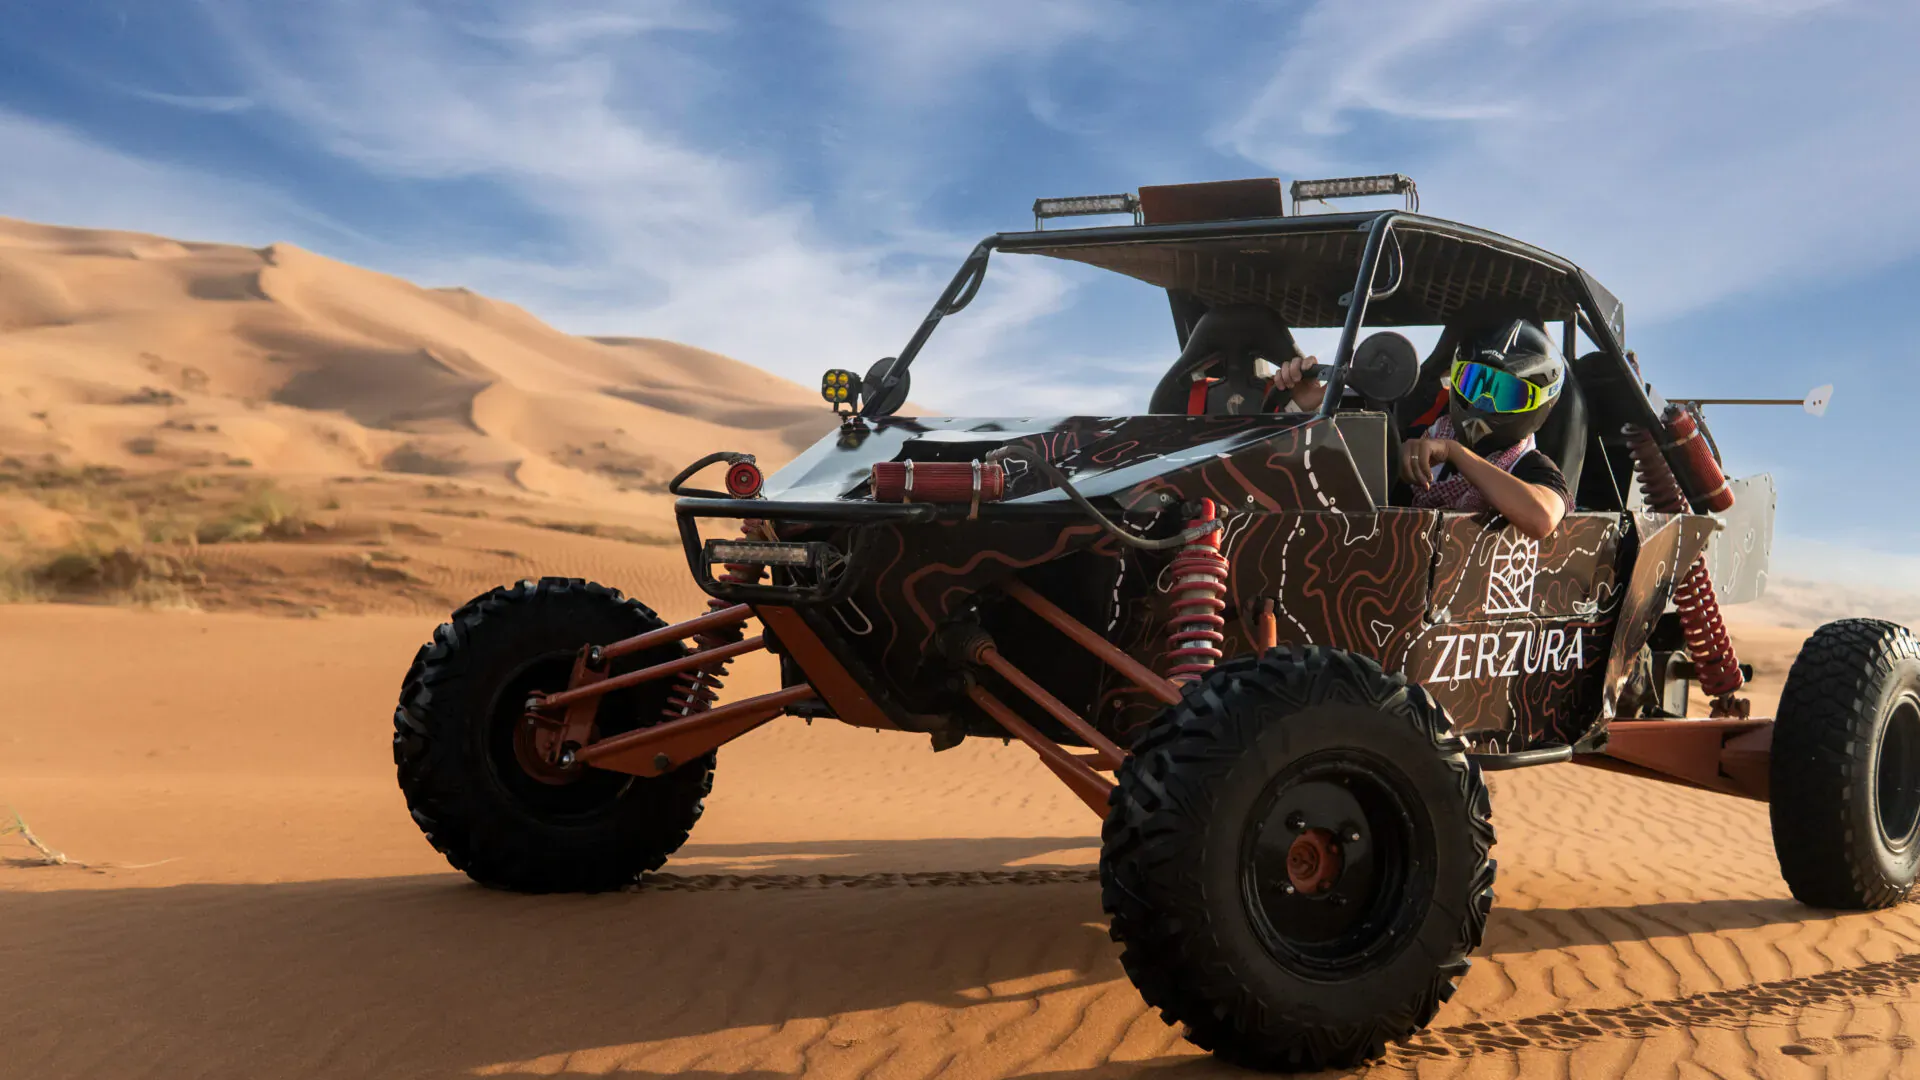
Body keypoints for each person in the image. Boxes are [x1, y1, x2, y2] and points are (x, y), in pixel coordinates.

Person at [1275, 318, 1569, 539]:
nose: (1483, 399)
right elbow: (1327, 483)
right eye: (1473, 382)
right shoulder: (1423, 435)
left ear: (1541, 404)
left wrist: (1456, 453)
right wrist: (1301, 409)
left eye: (1505, 393)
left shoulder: (1532, 466)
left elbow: (1541, 518)